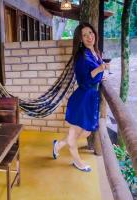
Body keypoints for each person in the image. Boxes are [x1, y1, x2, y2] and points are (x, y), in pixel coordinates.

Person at [52, 22, 109, 172]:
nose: (89, 37)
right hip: (83, 99)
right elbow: (83, 81)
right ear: (81, 39)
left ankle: (58, 145)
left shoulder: (95, 52)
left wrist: (101, 75)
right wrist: (100, 69)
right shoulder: (81, 57)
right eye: (85, 35)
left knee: (87, 131)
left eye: (90, 33)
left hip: (91, 98)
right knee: (74, 135)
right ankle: (78, 162)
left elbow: (96, 74)